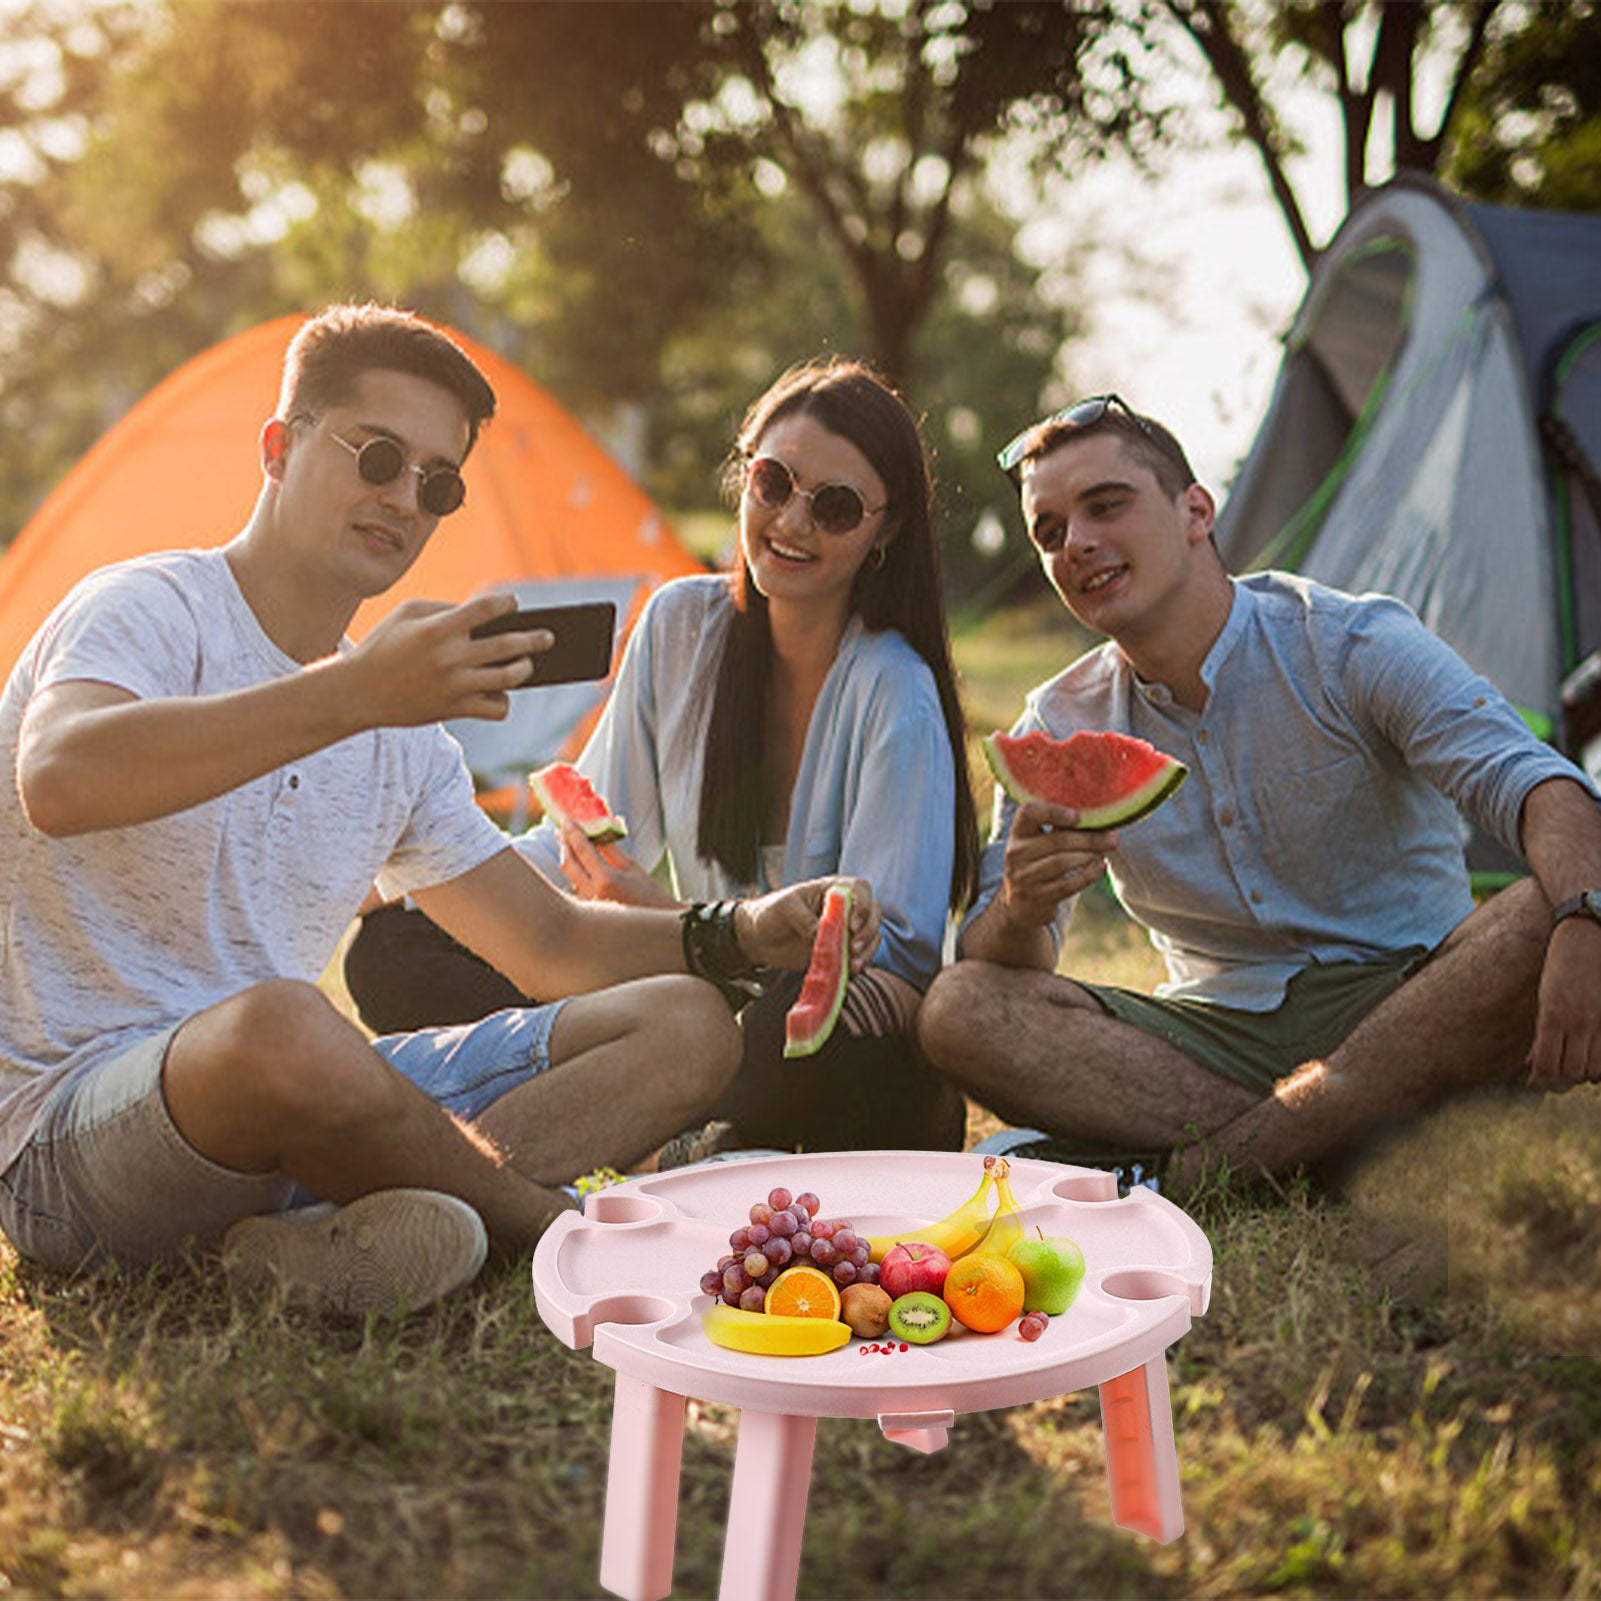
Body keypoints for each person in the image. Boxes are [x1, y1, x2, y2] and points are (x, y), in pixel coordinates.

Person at [0, 304, 877, 1317]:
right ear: (279, 448)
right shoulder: (151, 607)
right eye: (376, 456)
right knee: (284, 1027)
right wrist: (353, 694)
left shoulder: (399, 724)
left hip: (291, 1123)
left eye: (438, 481)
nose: (405, 499)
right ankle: (547, 1230)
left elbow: (545, 937)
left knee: (686, 1023)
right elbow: (58, 777)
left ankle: (319, 1234)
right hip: (69, 1148)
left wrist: (737, 932)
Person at [916, 393, 1601, 1194]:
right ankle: (1351, 1144)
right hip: (1215, 1031)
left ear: (1195, 511)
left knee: (1528, 915)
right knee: (958, 1007)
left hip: (1411, 1000)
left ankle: (1215, 1168)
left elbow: (1540, 784)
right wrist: (1020, 908)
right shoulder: (1059, 720)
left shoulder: (1349, 643)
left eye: (1106, 505)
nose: (1078, 543)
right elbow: (1003, 962)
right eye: (1050, 531)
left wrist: (1585, 914)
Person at [344, 355, 980, 1158]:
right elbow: (586, 838)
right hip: (696, 988)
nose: (790, 523)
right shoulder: (681, 623)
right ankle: (685, 1133)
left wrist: (671, 920)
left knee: (820, 1027)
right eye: (774, 484)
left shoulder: (895, 686)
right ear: (743, 473)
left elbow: (889, 955)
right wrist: (433, 879)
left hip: (815, 1033)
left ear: (885, 529)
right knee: (396, 948)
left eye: (836, 506)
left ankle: (648, 1122)